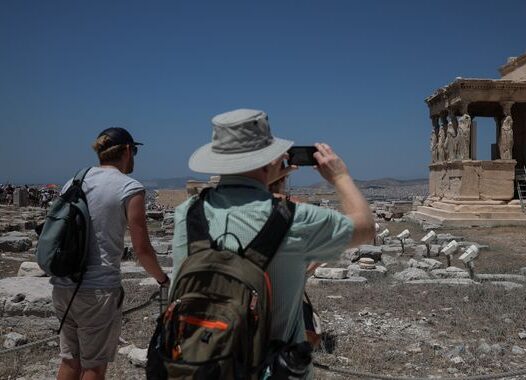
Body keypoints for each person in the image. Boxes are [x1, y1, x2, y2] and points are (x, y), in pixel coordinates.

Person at [171, 109, 374, 378]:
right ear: (268, 158)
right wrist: (340, 177)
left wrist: (264, 174)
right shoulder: (296, 219)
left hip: (198, 367)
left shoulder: (186, 213)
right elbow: (366, 228)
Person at [51, 127, 170, 380]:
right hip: (98, 290)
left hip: (63, 284)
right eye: (134, 151)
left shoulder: (74, 181)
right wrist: (161, 278)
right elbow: (142, 249)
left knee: (70, 360)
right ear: (127, 151)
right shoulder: (129, 187)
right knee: (94, 365)